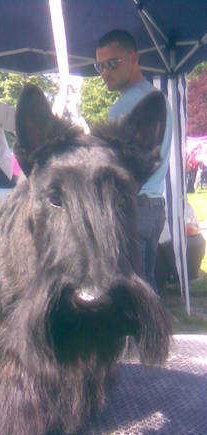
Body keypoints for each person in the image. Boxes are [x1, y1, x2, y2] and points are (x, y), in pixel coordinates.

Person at [95, 29, 173, 293]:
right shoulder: (160, 101)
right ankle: (157, 335)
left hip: (132, 208)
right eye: (100, 66)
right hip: (156, 207)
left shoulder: (122, 110)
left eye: (113, 64)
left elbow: (111, 169)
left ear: (134, 59)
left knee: (132, 291)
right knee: (149, 284)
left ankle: (148, 336)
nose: (106, 72)